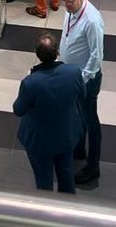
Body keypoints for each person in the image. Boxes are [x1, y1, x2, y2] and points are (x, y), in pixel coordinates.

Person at [12, 33, 84, 194]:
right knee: (66, 174)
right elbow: (82, 95)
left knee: (43, 180)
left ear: (37, 55)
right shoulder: (73, 72)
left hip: (39, 140)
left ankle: (45, 211)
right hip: (66, 133)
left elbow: (18, 109)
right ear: (57, 51)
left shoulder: (31, 82)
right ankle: (67, 208)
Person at [59, 0, 104, 187]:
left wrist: (82, 80)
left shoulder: (92, 21)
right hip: (72, 74)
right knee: (78, 115)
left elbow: (96, 56)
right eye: (64, 2)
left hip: (86, 79)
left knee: (90, 118)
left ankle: (93, 166)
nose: (66, 6)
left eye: (69, 2)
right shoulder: (70, 11)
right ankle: (79, 149)